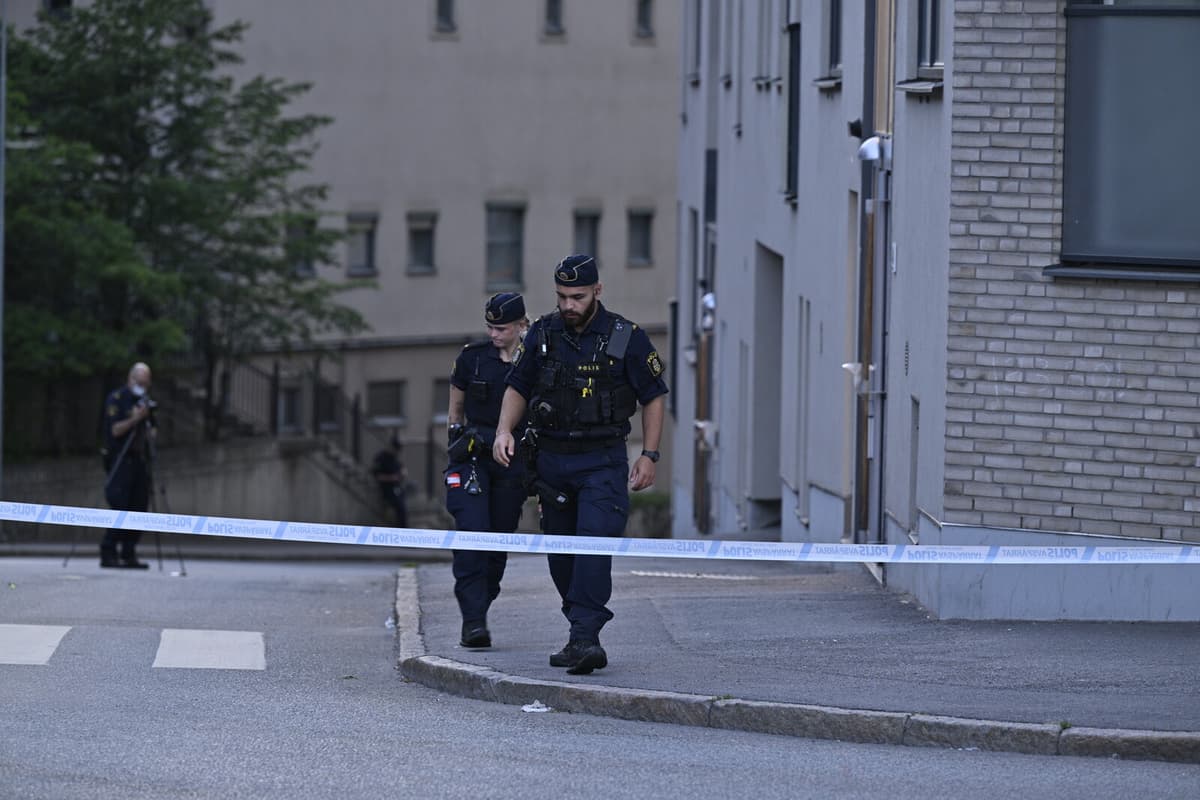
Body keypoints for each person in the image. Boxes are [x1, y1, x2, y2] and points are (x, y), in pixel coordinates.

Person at [493, 255, 668, 675]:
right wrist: (503, 431)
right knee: (561, 554)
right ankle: (579, 631)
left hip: (601, 461)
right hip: (552, 460)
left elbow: (654, 396)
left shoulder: (625, 336)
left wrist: (649, 455)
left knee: (592, 544)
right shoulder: (543, 334)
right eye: (562, 297)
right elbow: (518, 385)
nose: (569, 305)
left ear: (597, 291)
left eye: (578, 297)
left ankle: (586, 637)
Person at [445, 292, 530, 649]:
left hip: (513, 464)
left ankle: (482, 603)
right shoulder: (473, 358)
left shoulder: (535, 361)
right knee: (471, 536)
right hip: (473, 460)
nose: (495, 334)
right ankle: (473, 620)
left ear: (521, 326)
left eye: (502, 328)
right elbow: (456, 406)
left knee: (497, 544)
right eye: (490, 327)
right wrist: (456, 439)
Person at [99, 362, 156, 569]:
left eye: (145, 382)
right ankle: (108, 551)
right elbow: (115, 430)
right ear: (130, 379)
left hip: (139, 460)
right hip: (120, 459)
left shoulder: (145, 402)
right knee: (119, 506)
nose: (142, 385)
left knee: (139, 507)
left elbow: (152, 433)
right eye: (139, 381)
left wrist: (147, 421)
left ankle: (129, 552)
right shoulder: (117, 399)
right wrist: (135, 419)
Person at [371, 434, 409, 528]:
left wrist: (402, 472)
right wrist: (392, 478)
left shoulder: (394, 458)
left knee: (402, 506)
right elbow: (376, 475)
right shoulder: (381, 458)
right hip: (386, 488)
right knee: (399, 508)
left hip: (396, 487)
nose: (397, 452)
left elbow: (400, 468)